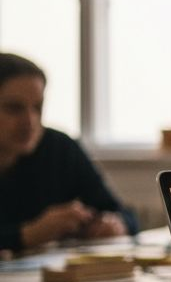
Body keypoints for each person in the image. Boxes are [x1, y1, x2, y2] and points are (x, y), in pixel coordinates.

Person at [0, 52, 138, 253]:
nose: (30, 122)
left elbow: (123, 213)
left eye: (37, 108)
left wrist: (116, 225)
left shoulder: (60, 148)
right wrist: (29, 234)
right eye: (14, 108)